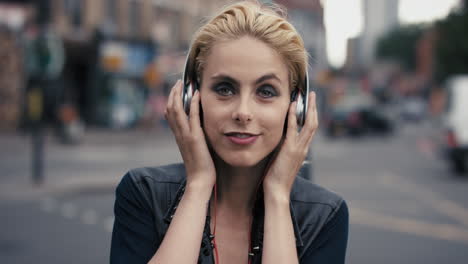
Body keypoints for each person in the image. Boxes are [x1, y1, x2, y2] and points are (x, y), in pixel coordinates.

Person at [110, 1, 348, 263]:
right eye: (225, 89)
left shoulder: (325, 215)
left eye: (266, 91)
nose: (243, 112)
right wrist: (198, 184)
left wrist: (278, 196)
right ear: (191, 98)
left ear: (296, 107)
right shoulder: (143, 192)